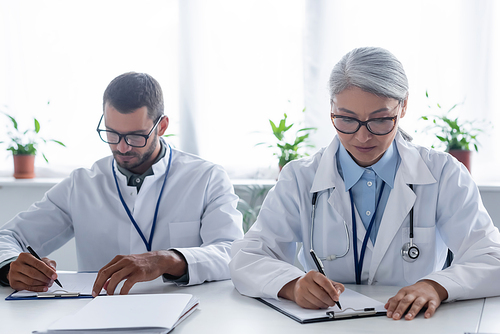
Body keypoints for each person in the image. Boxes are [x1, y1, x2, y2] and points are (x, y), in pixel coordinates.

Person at [230, 47, 500, 321]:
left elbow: (492, 257)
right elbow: (248, 256)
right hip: (327, 324)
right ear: (331, 109)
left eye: (380, 120)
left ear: (403, 106)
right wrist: (292, 285)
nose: (361, 137)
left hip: (413, 324)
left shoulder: (443, 174)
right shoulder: (300, 178)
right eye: (347, 119)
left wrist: (436, 286)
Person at [0, 72, 243, 296]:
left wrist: (169, 259)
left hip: (186, 310)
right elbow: (8, 236)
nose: (122, 147)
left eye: (136, 136)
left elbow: (231, 252)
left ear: (162, 126)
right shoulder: (81, 184)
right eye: (112, 133)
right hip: (98, 313)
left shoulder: (207, 178)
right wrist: (11, 266)